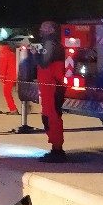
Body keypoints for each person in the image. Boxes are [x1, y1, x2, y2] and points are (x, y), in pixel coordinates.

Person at [35, 20, 67, 162]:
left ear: (51, 30)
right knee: (50, 116)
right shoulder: (54, 44)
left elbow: (44, 62)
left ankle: (57, 149)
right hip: (50, 87)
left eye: (44, 28)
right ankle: (56, 147)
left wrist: (34, 54)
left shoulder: (50, 44)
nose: (41, 30)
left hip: (51, 87)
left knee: (52, 117)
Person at [0, 42, 19, 114]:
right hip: (15, 75)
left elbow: (3, 66)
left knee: (7, 93)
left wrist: (2, 77)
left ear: (1, 47)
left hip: (9, 77)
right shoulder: (11, 53)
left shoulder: (3, 54)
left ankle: (13, 109)